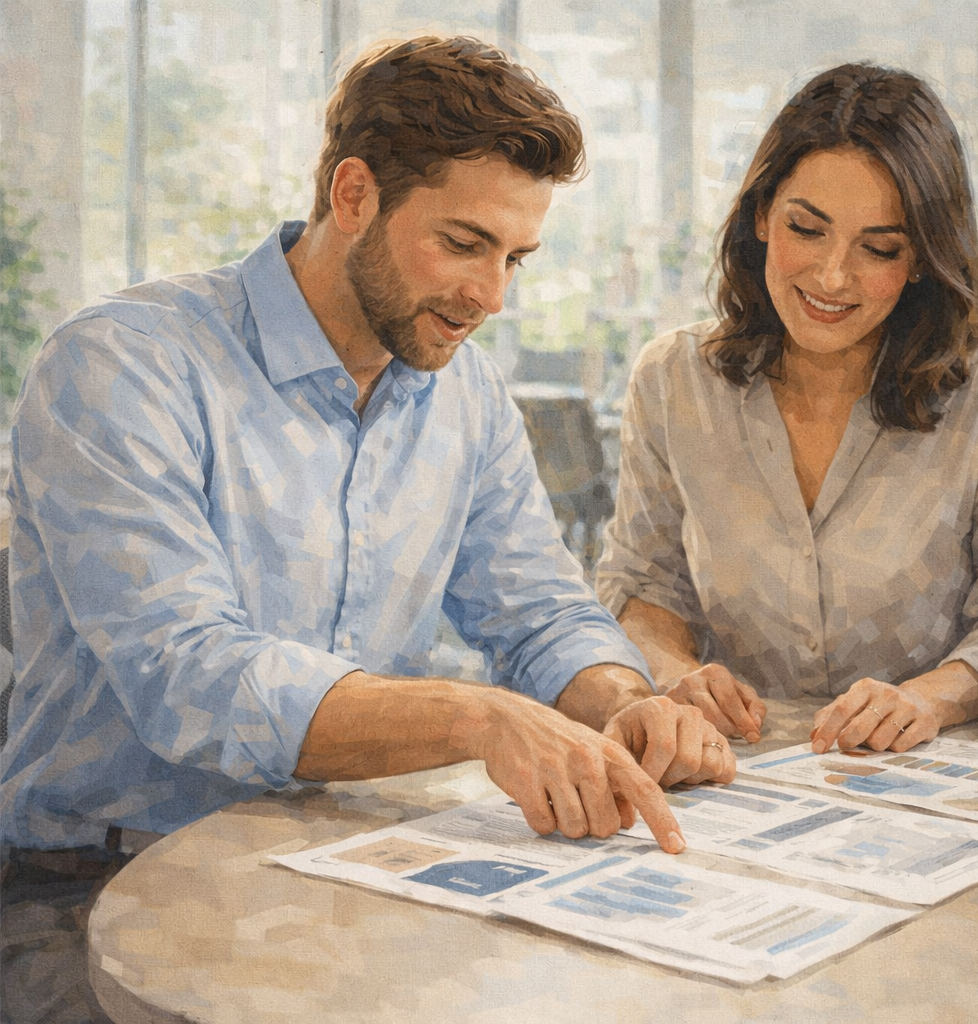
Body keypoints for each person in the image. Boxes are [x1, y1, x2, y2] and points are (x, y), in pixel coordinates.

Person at [0, 36, 737, 877]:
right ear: (353, 195)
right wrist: (478, 719)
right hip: (96, 879)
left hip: (346, 859)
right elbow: (190, 679)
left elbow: (539, 614)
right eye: (463, 244)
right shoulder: (122, 365)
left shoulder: (468, 395)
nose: (491, 298)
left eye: (513, 260)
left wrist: (626, 704)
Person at [597, 64, 978, 756]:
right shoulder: (673, 379)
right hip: (734, 765)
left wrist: (927, 699)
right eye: (807, 230)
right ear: (761, 217)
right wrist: (676, 674)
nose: (833, 276)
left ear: (922, 259)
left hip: (935, 772)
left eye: (879, 248)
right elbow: (644, 582)